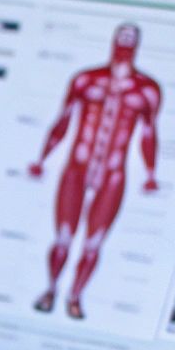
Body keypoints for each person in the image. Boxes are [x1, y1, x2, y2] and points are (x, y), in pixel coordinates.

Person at [27, 22, 162, 320]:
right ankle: (50, 290)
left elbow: (149, 132)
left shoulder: (147, 90)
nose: (125, 42)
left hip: (112, 174)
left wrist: (151, 173)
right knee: (63, 237)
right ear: (113, 40)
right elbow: (63, 119)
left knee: (93, 243)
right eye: (121, 37)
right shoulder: (86, 80)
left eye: (131, 38)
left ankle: (74, 297)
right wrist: (42, 158)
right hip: (77, 166)